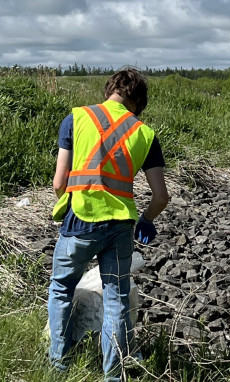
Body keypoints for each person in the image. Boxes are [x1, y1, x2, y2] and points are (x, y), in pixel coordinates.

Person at [48, 67, 169, 381]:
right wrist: (147, 220)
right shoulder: (144, 133)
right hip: (120, 227)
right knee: (116, 299)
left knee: (62, 289)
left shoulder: (76, 119)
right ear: (138, 102)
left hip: (80, 221)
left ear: (109, 91)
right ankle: (113, 375)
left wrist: (68, 200)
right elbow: (161, 196)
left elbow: (59, 181)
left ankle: (59, 366)